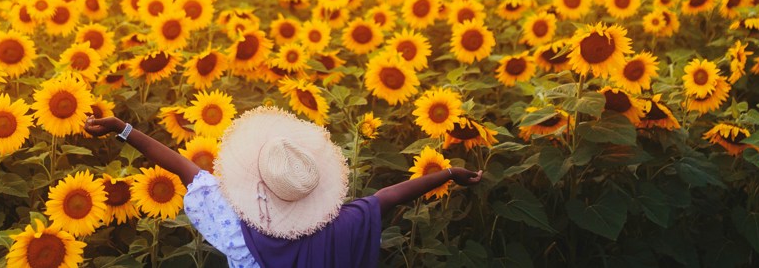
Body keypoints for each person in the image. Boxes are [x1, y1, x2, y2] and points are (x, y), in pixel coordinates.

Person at [84, 106, 482, 268]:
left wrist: (123, 129)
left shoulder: (236, 231)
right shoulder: (344, 227)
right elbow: (387, 197)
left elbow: (186, 171)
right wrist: (448, 174)